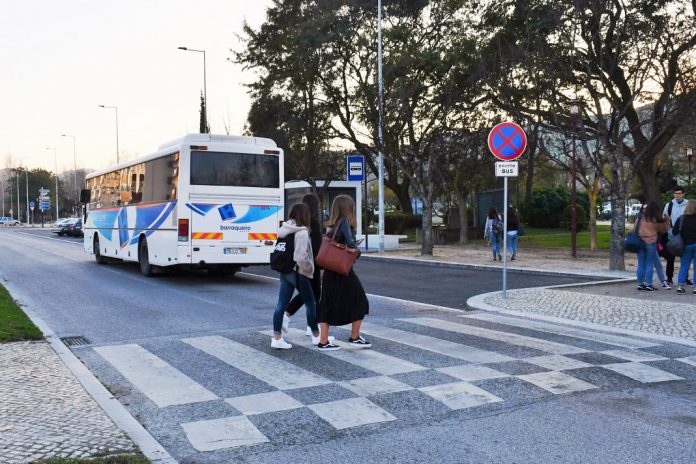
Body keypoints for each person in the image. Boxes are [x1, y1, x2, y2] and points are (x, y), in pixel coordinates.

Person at [317, 195, 370, 351]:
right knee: (360, 300)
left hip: (329, 271)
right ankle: (354, 337)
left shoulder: (332, 224)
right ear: (348, 208)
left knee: (327, 303)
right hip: (343, 271)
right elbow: (351, 245)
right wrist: (357, 251)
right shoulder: (344, 222)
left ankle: (324, 341)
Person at [281, 193, 330, 340]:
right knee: (312, 296)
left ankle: (306, 324)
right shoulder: (313, 224)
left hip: (300, 265)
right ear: (315, 206)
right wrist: (320, 268)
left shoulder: (301, 222)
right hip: (310, 266)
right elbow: (315, 248)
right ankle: (310, 327)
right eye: (319, 205)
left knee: (310, 295)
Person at [271, 203, 320, 349]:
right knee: (311, 303)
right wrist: (311, 267)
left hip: (284, 271)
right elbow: (300, 257)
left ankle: (277, 338)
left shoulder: (284, 230)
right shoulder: (302, 232)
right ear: (305, 216)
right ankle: (316, 336)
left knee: (281, 304)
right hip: (298, 272)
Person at [635, 201, 669, 292]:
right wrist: (666, 221)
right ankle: (649, 284)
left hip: (640, 242)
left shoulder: (640, 217)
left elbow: (635, 228)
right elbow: (663, 230)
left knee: (641, 264)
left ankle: (640, 284)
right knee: (649, 264)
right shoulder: (655, 219)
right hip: (651, 242)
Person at [662, 186, 691, 286]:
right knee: (671, 257)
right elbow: (664, 219)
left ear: (683, 194)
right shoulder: (669, 205)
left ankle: (685, 278)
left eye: (679, 193)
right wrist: (669, 230)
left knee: (685, 257)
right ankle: (669, 278)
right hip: (672, 233)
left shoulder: (688, 204)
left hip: (685, 233)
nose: (677, 195)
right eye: (675, 193)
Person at [673, 199, 696, 294]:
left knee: (684, 266)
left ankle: (680, 286)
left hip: (685, 245)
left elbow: (674, 232)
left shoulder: (681, 218)